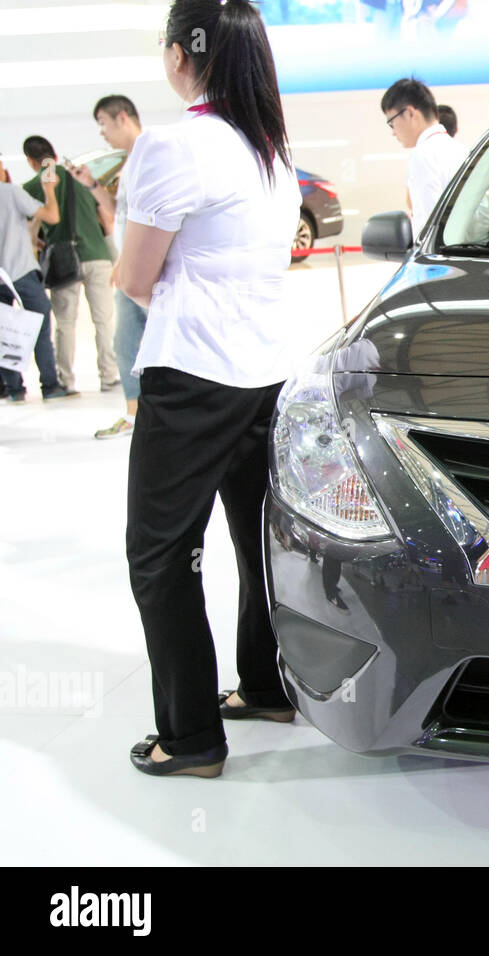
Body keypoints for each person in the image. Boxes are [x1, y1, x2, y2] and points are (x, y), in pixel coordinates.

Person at [120, 0, 302, 777]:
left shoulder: (177, 143)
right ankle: (264, 684)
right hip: (265, 374)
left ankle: (189, 737)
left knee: (161, 556)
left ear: (179, 55)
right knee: (256, 539)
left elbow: (133, 276)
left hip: (194, 377)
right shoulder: (271, 150)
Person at [70, 95, 148, 439]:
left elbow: (148, 219)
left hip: (140, 269)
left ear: (121, 118)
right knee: (128, 341)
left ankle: (140, 416)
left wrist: (127, 260)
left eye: (103, 122)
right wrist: (91, 185)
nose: (102, 132)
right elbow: (121, 212)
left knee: (130, 341)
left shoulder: (148, 156)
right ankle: (136, 414)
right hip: (132, 266)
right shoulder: (132, 162)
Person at [21, 136, 117, 393]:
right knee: (104, 320)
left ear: (31, 161)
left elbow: (28, 222)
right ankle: (109, 377)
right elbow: (105, 217)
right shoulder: (82, 176)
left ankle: (66, 380)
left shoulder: (33, 185)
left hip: (63, 260)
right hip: (97, 254)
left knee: (65, 322)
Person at [0, 159, 73, 402]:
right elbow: (51, 216)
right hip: (20, 271)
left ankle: (14, 389)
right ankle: (50, 385)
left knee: (4, 332)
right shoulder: (10, 192)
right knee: (40, 323)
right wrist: (49, 189)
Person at [381, 77, 468, 235]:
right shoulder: (462, 150)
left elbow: (428, 229)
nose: (393, 132)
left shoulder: (422, 155)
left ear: (409, 113)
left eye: (391, 123)